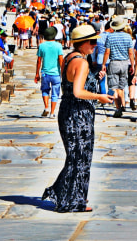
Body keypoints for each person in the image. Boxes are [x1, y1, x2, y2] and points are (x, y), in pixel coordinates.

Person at [42, 25, 114, 212]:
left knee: (75, 157)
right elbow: (78, 91)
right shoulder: (82, 62)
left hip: (67, 111)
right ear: (82, 43)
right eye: (92, 42)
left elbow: (74, 82)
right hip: (78, 115)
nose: (95, 45)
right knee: (80, 158)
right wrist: (99, 97)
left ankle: (70, 197)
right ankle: (72, 199)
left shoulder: (69, 57)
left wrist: (95, 78)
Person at [102, 17, 136, 118]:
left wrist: (104, 64)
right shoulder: (128, 37)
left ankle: (118, 108)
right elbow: (131, 52)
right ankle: (123, 105)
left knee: (114, 87)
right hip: (125, 63)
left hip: (114, 63)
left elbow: (107, 52)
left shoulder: (110, 37)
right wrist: (132, 65)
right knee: (121, 87)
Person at [36, 26, 64, 118]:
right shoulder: (58, 46)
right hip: (56, 73)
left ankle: (46, 107)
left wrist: (37, 73)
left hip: (45, 72)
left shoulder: (41, 46)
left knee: (45, 90)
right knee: (55, 93)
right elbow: (60, 60)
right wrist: (63, 72)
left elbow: (39, 61)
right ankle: (52, 113)